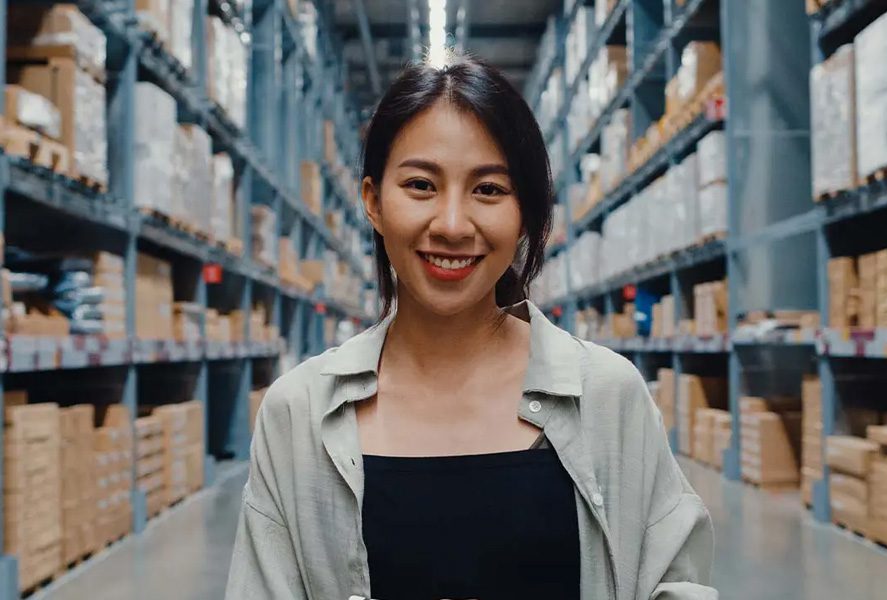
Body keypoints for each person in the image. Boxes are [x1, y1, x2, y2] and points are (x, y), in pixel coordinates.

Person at [225, 53, 716, 600]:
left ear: (524, 214)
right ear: (373, 201)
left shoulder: (607, 396)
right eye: (420, 185)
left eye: (489, 190)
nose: (453, 225)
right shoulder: (298, 415)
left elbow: (676, 582)